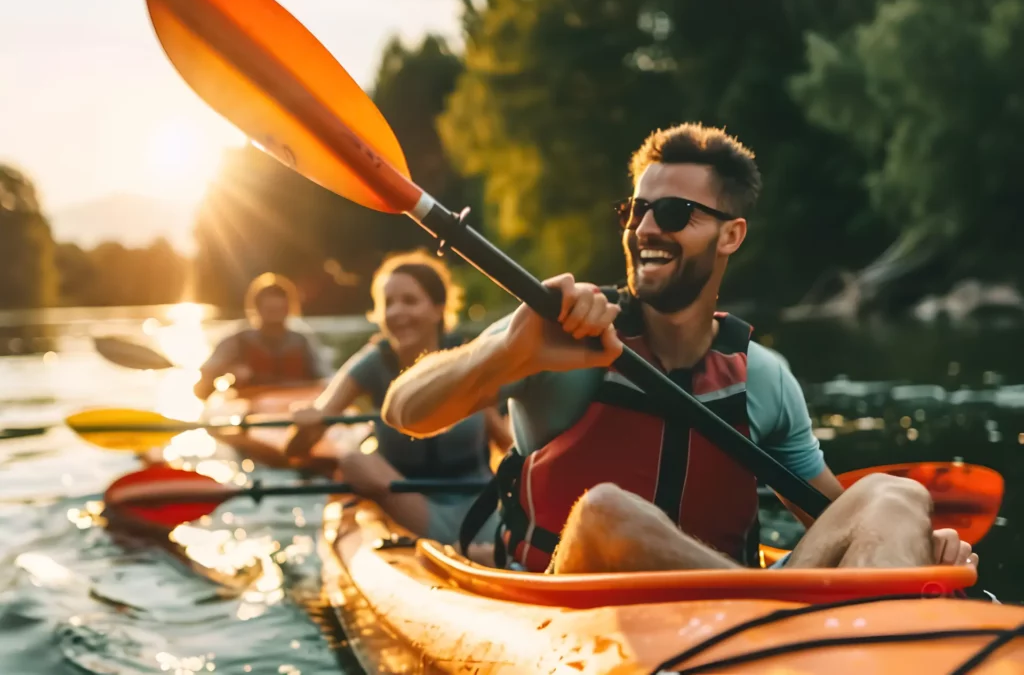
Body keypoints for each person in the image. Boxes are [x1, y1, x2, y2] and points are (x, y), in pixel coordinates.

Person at [379, 122, 979, 574]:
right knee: (608, 513)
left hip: (732, 623)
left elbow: (835, 521)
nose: (644, 228)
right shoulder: (557, 337)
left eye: (672, 212)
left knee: (894, 495)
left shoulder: (763, 378)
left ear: (731, 235)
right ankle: (763, 606)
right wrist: (508, 353)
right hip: (561, 611)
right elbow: (404, 411)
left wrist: (919, 545)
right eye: (636, 210)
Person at [283, 249, 508, 557]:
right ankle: (455, 550)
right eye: (388, 303)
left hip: (479, 502)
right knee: (353, 461)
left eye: (410, 301)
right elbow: (296, 450)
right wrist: (307, 426)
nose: (397, 312)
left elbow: (506, 441)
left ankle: (470, 550)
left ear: (438, 309)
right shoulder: (372, 364)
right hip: (407, 503)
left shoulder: (469, 359)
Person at [193, 273, 330, 400]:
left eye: (279, 310)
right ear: (257, 309)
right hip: (250, 407)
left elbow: (324, 380)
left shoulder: (302, 342)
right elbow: (201, 388)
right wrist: (228, 371)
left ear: (288, 309)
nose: (275, 317)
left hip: (295, 403)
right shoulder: (237, 342)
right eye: (270, 310)